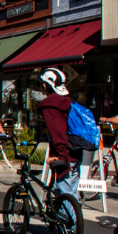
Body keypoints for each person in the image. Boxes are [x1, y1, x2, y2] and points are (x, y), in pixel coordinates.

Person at [37, 67, 81, 199]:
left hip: (65, 156)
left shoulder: (51, 105)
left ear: (45, 85)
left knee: (65, 196)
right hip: (76, 153)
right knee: (72, 195)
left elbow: (58, 132)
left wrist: (61, 156)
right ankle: (73, 219)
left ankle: (69, 219)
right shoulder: (68, 101)